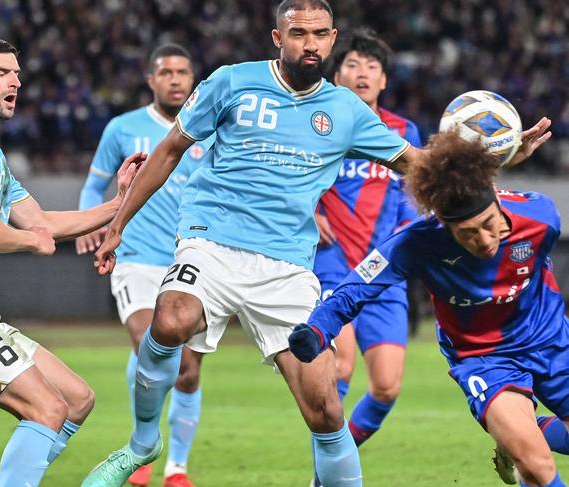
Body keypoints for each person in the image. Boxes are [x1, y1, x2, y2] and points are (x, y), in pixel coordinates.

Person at [82, 1, 542, 485]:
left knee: (325, 408)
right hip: (211, 239)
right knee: (172, 316)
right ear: (278, 38)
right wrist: (119, 224)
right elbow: (171, 149)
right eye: (299, 33)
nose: (310, 44)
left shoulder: (344, 110)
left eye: (320, 34)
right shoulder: (231, 81)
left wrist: (497, 159)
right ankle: (142, 442)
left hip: (286, 265)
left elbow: (422, 167)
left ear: (331, 37)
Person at [288, 129, 569, 487]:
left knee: (532, 443)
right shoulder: (417, 242)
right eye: (467, 233)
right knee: (537, 467)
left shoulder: (542, 217)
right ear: (444, 225)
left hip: (552, 342)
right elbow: (355, 287)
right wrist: (317, 329)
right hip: (485, 358)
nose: (484, 240)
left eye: (488, 225)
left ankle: (525, 432)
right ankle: (520, 437)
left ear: (498, 203)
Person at [0, 36, 140, 487]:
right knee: (48, 408)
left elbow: (43, 220)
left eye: (17, 74)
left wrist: (120, 200)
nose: (15, 82)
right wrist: (30, 241)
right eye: (1, 73)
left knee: (75, 399)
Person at [77, 43, 212, 487]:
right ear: (151, 79)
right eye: (166, 72)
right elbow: (94, 186)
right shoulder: (123, 128)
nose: (175, 79)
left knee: (188, 371)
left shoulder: (210, 128)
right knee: (146, 339)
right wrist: (86, 226)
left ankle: (177, 468)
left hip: (194, 261)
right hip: (135, 259)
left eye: (182, 71)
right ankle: (143, 444)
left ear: (192, 79)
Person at [313, 28, 421, 448]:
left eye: (371, 67)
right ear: (337, 75)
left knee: (387, 387)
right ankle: (330, 470)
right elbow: (290, 176)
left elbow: (413, 193)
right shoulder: (318, 123)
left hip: (383, 268)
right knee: (338, 369)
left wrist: (406, 231)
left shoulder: (402, 129)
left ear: (384, 80)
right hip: (331, 262)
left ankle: (330, 467)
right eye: (352, 64)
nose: (361, 73)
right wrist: (310, 209)